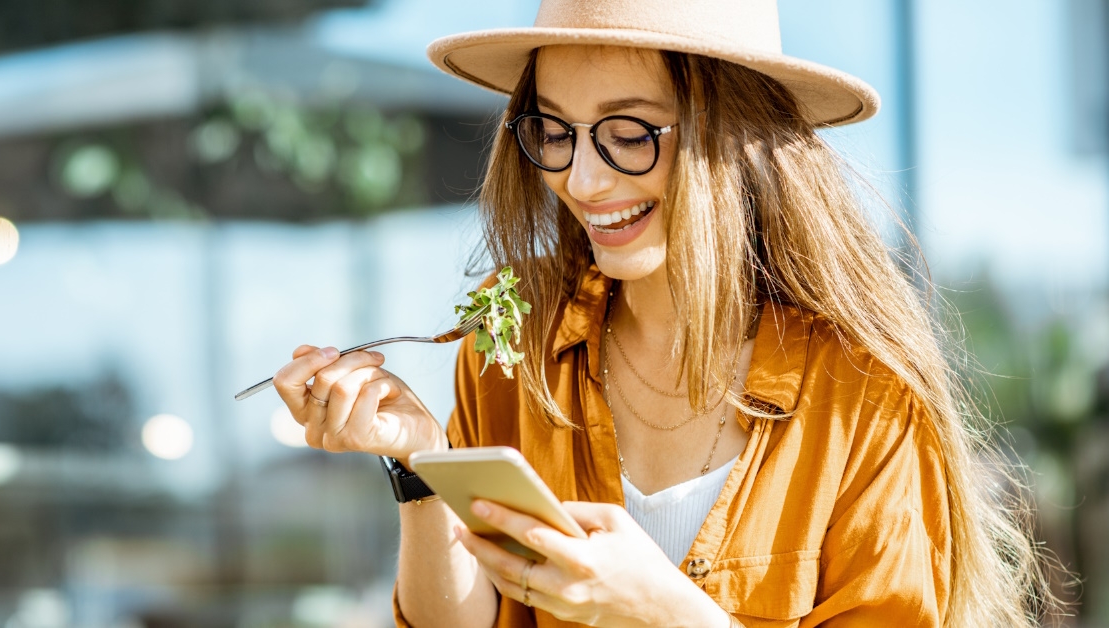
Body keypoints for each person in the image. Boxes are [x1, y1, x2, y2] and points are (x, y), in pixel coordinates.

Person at [273, 0, 1055, 625]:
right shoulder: (511, 352)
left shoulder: (866, 399)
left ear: (737, 137)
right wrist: (419, 465)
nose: (581, 179)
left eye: (627, 133)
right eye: (554, 130)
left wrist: (665, 613)